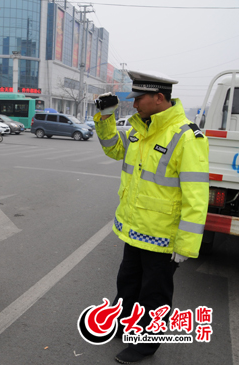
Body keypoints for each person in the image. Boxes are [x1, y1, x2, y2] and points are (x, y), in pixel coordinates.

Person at [93, 70, 209, 364]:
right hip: (134, 229)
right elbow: (113, 150)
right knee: (128, 283)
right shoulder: (138, 129)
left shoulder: (186, 136)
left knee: (153, 295)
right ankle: (124, 325)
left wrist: (185, 246)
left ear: (159, 98)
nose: (133, 105)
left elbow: (196, 196)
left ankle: (145, 344)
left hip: (163, 236)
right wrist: (105, 117)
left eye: (139, 99)